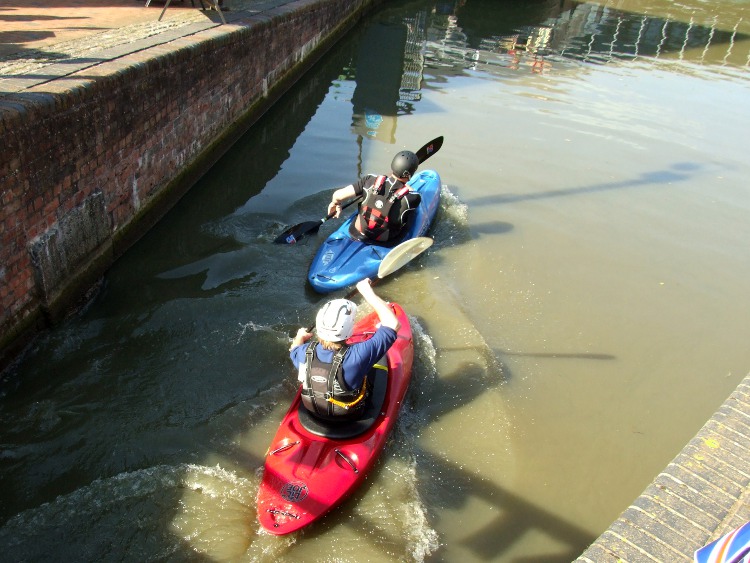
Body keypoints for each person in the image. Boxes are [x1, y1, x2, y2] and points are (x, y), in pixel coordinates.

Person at [289, 278, 400, 421]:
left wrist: (300, 336)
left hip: (315, 413)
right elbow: (393, 323)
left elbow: (293, 349)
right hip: (349, 416)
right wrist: (366, 291)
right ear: (348, 328)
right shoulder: (358, 355)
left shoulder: (304, 352)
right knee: (381, 360)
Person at [327, 150, 422, 245]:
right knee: (412, 214)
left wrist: (336, 203)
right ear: (410, 174)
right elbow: (408, 190)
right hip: (385, 241)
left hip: (357, 232)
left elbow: (337, 195)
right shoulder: (413, 198)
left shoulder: (369, 180)